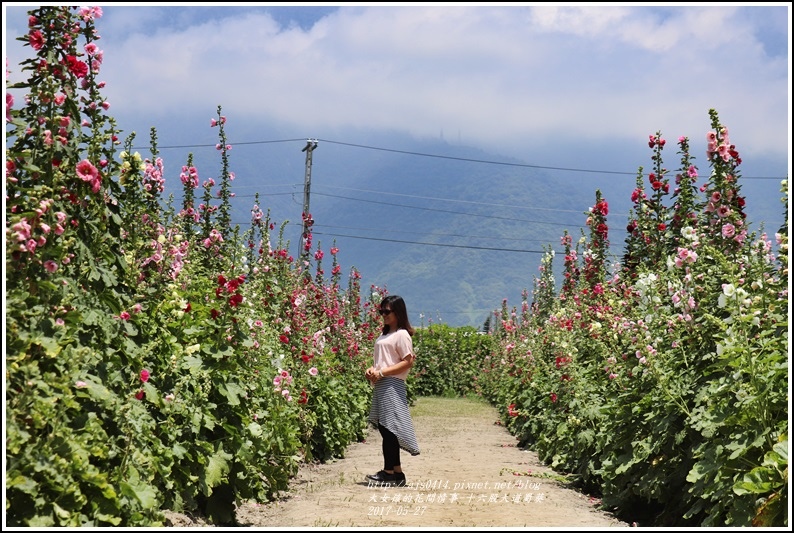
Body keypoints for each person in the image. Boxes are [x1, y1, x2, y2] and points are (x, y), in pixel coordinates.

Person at [364, 295, 420, 487]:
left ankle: (388, 471)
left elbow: (407, 361)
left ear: (398, 312)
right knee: (387, 428)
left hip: (392, 384)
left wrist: (381, 372)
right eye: (382, 311)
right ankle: (397, 473)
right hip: (382, 383)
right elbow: (385, 360)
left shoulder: (402, 334)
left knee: (389, 428)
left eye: (387, 311)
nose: (384, 315)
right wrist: (373, 370)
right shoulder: (386, 334)